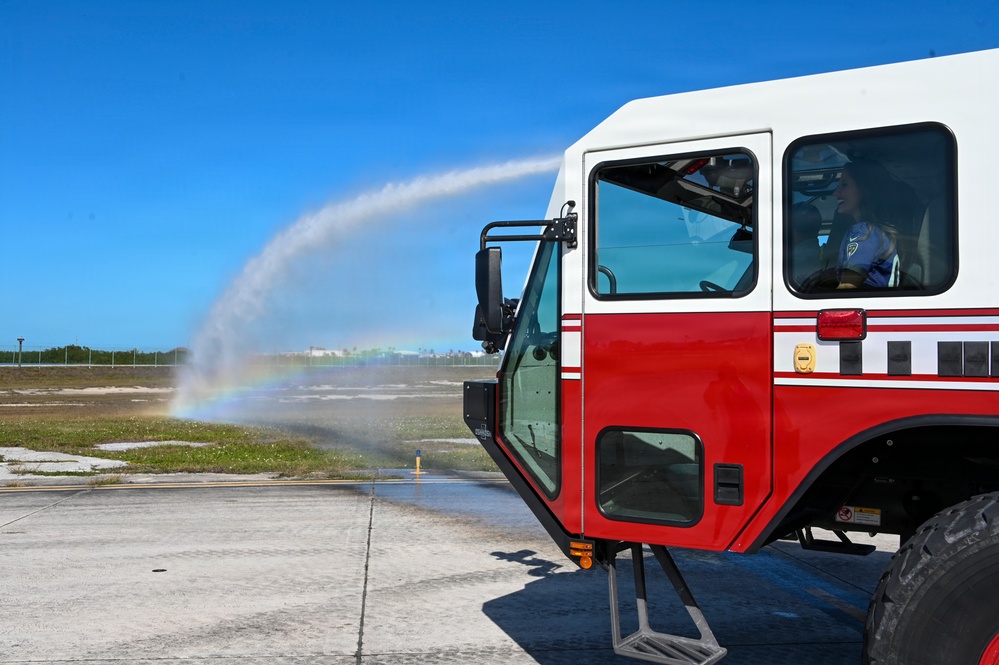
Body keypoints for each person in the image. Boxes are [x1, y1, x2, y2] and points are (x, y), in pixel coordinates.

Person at [832, 158, 902, 289]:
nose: (836, 193)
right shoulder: (878, 232)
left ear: (864, 188)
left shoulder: (864, 232)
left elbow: (848, 287)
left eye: (844, 185)